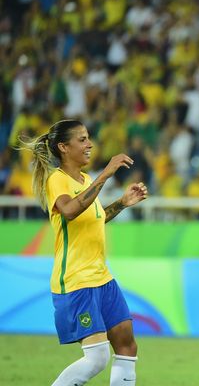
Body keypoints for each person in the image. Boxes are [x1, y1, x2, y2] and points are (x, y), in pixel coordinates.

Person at [19, 119, 148, 386]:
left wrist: (122, 203)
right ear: (64, 147)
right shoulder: (57, 179)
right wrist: (106, 174)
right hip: (76, 281)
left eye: (88, 138)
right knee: (97, 358)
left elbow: (94, 219)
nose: (89, 144)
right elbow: (69, 210)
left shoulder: (86, 180)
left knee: (127, 346)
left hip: (102, 278)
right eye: (82, 140)